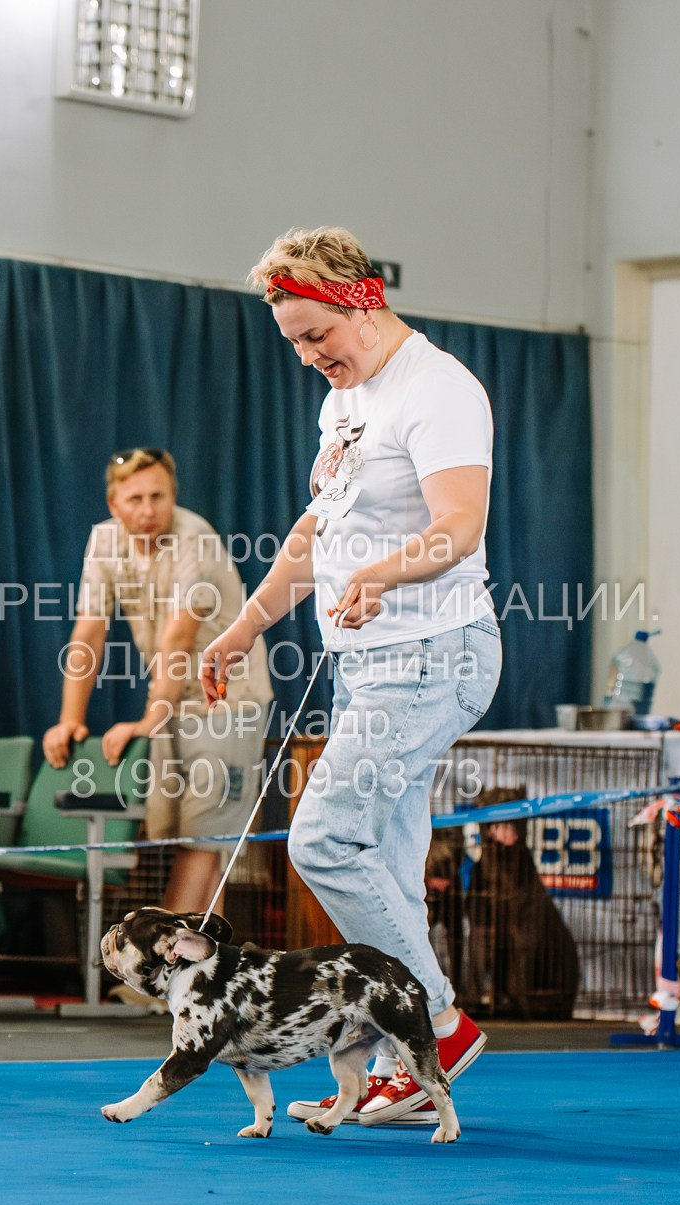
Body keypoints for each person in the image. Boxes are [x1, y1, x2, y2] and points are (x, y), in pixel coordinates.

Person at [202, 226, 500, 1126]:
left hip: (432, 655)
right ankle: (410, 1075)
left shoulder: (438, 389)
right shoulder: (346, 403)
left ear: (362, 299)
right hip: (369, 667)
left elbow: (461, 525)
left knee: (324, 840)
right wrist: (243, 628)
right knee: (386, 868)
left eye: (315, 335)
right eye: (292, 341)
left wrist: (382, 572)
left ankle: (439, 1027)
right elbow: (314, 534)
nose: (306, 356)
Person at [44, 448, 273, 913]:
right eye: (134, 499)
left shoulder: (195, 539)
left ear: (173, 496)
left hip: (226, 698)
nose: (147, 510)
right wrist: (69, 719)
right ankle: (200, 974)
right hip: (171, 699)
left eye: (158, 496)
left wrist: (151, 717)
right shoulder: (104, 541)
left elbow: (179, 635)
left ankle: (162, 977)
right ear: (113, 503)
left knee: (203, 839)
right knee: (180, 832)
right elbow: (89, 629)